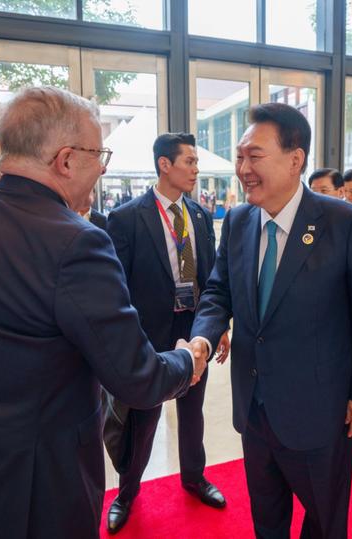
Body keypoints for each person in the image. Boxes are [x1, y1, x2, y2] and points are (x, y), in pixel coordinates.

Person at [0, 87, 201, 539]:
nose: (101, 168)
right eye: (100, 154)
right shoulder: (76, 241)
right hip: (31, 489)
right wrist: (188, 359)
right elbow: (137, 379)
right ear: (65, 159)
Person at [189, 103, 352, 538]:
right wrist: (204, 336)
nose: (242, 168)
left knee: (325, 518)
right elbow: (220, 289)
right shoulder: (237, 220)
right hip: (254, 406)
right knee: (267, 517)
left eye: (254, 156)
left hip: (320, 410)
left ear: (296, 159)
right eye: (240, 157)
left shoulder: (345, 223)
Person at [104, 133, 229, 534]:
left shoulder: (200, 214)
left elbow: (212, 277)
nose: (196, 169)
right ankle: (127, 492)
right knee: (144, 416)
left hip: (194, 327)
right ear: (164, 165)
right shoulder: (125, 218)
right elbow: (117, 286)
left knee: (193, 411)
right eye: (189, 162)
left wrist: (218, 327)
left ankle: (194, 478)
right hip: (149, 332)